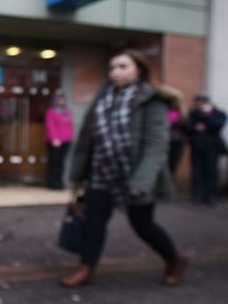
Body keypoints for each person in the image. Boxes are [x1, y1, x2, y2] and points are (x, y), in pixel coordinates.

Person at [61, 49, 188, 287]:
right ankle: (86, 267)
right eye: (112, 67)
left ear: (138, 70)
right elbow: (87, 138)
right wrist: (78, 174)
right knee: (93, 222)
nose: (115, 72)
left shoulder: (153, 100)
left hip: (135, 174)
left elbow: (155, 145)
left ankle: (174, 259)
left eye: (122, 67)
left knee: (143, 225)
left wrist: (141, 182)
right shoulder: (103, 96)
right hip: (101, 172)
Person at [185, 93, 227, 206]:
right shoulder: (193, 113)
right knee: (197, 171)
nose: (200, 106)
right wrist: (196, 126)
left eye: (202, 103)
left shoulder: (218, 113)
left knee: (211, 171)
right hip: (197, 146)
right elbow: (187, 127)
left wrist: (206, 116)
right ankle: (198, 194)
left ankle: (211, 195)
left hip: (212, 147)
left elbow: (218, 124)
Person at [44, 92, 74, 189]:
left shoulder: (67, 111)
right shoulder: (51, 111)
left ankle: (60, 183)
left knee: (61, 163)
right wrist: (54, 139)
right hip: (55, 141)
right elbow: (50, 126)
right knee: (54, 163)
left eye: (63, 99)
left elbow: (70, 125)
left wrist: (70, 137)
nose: (62, 101)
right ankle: (52, 183)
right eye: (60, 99)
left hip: (66, 141)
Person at [161, 85, 186, 176]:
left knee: (171, 166)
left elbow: (185, 126)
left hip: (176, 141)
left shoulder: (179, 110)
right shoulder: (164, 109)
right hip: (165, 140)